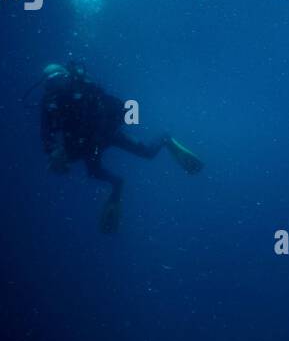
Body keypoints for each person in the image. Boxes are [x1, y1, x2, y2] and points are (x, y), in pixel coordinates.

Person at [38, 61, 203, 232]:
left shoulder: (84, 88)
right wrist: (53, 152)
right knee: (93, 172)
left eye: (59, 79)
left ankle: (165, 139)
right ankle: (117, 185)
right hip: (86, 143)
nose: (57, 85)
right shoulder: (50, 102)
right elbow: (46, 132)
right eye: (51, 82)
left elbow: (108, 109)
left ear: (67, 77)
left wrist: (100, 136)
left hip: (107, 134)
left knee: (147, 153)